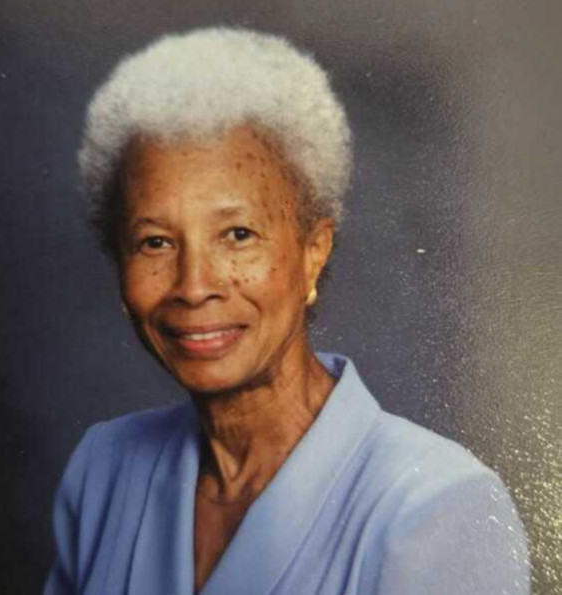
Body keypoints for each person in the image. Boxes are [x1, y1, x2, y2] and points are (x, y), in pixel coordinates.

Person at [43, 27, 531, 595]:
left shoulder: (435, 507)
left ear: (312, 252)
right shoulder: (103, 469)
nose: (194, 287)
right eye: (155, 242)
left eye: (238, 234)